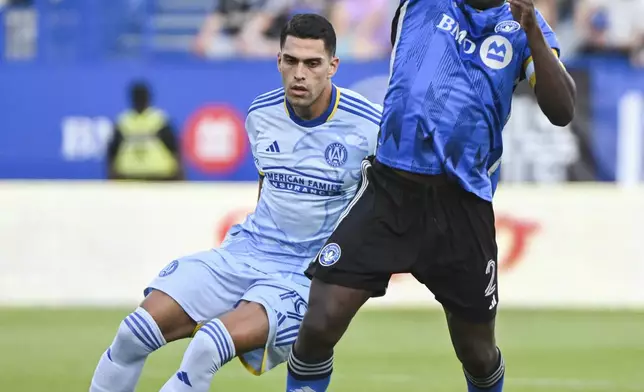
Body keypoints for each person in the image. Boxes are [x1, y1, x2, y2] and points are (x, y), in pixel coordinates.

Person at [286, 1, 576, 392]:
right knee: (319, 323)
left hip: (461, 205)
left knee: (477, 352)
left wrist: (534, 36)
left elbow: (563, 110)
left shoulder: (525, 25)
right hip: (391, 192)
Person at [88, 13, 381, 392]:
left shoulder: (370, 125)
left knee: (207, 347)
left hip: (304, 274)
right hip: (245, 252)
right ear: (278, 61)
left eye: (312, 63)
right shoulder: (261, 113)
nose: (299, 74)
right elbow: (267, 186)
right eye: (290, 61)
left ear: (333, 66)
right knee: (132, 333)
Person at [107, 81, 183, 181]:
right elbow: (176, 151)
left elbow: (111, 154)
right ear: (149, 98)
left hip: (152, 178)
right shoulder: (159, 120)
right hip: (146, 178)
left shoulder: (124, 121)